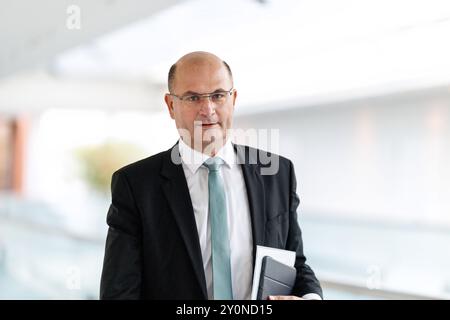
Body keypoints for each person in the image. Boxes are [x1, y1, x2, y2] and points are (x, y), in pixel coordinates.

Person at [100, 51, 322, 300]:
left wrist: (309, 298)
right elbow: (119, 292)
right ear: (171, 105)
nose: (208, 109)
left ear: (233, 98)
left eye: (218, 95)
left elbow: (296, 265)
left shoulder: (277, 174)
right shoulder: (136, 185)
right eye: (193, 97)